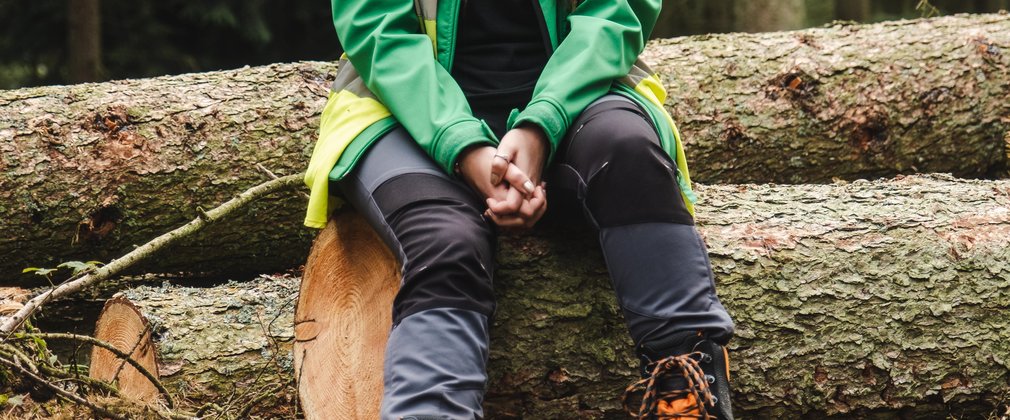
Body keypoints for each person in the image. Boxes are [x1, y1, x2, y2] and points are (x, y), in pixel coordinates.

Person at [303, 0, 736, 418]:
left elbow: (617, 11)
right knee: (446, 239)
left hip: (582, 93)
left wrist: (540, 125)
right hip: (401, 109)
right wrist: (463, 145)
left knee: (626, 158)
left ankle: (687, 391)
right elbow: (377, 28)